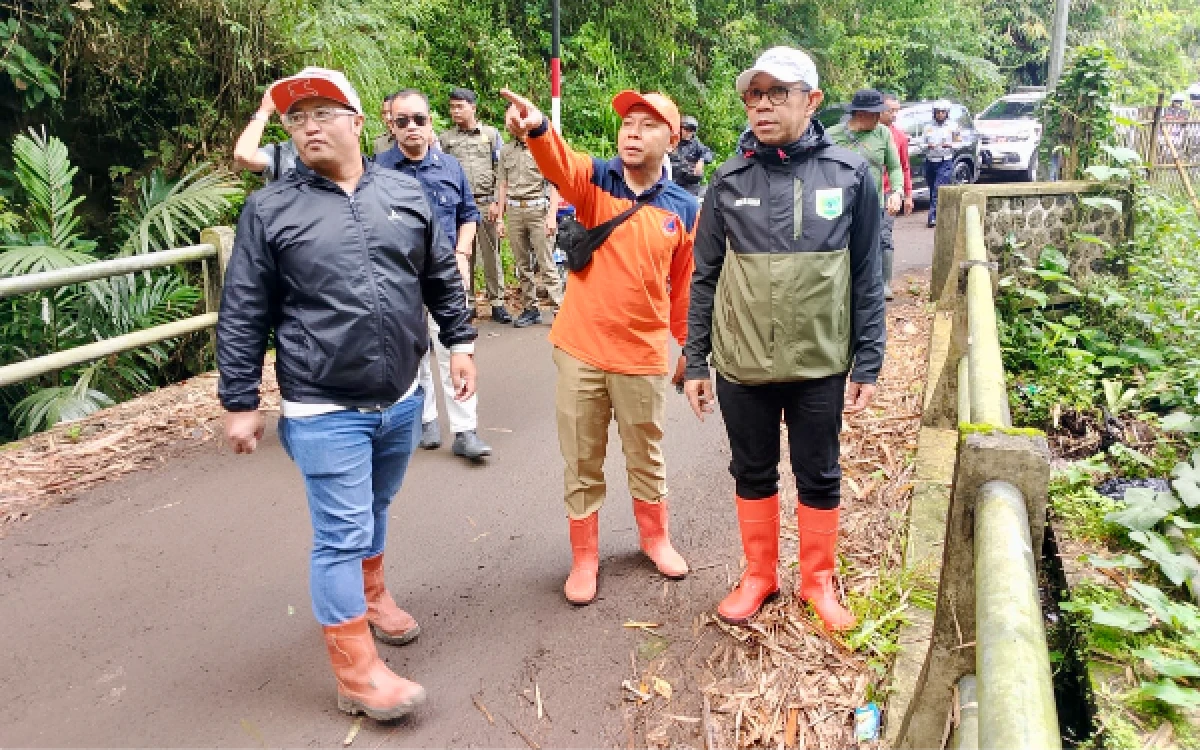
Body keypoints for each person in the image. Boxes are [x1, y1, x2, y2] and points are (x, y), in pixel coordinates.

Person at [217, 67, 478, 721]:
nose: (307, 125)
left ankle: (373, 593)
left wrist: (462, 343)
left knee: (376, 505)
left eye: (321, 112)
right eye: (295, 117)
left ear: (359, 123)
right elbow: (244, 308)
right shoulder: (270, 209)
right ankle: (356, 673)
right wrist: (240, 400)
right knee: (340, 532)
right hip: (322, 403)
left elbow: (439, 273)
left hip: (400, 397)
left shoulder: (405, 192)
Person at [682, 46, 887, 632]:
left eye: (779, 93)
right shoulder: (726, 180)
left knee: (819, 472)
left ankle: (818, 581)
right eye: (755, 94)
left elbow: (868, 273)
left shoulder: (850, 175)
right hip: (742, 366)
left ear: (812, 101)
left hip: (819, 361)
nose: (763, 105)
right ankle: (760, 574)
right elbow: (705, 277)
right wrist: (697, 361)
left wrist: (868, 361)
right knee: (752, 470)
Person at [500, 86, 697, 605]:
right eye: (628, 123)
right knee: (582, 457)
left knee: (646, 455)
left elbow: (685, 284)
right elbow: (559, 162)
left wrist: (689, 352)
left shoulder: (684, 208)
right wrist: (540, 127)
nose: (633, 132)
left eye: (648, 125)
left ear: (672, 140)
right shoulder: (595, 180)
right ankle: (584, 557)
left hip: (642, 355)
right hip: (583, 349)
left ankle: (655, 539)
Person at [375, 89, 493, 462]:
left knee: (455, 345)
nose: (412, 128)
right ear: (391, 125)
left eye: (419, 120)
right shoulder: (377, 171)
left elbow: (469, 215)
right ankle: (424, 420)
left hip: (445, 272)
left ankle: (465, 429)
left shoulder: (450, 167)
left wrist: (461, 253)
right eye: (402, 121)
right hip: (399, 274)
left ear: (430, 124)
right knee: (414, 349)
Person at [440, 87, 511, 324]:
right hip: (460, 208)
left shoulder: (490, 135)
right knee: (463, 254)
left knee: (492, 254)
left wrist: (495, 202)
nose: (455, 111)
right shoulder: (446, 139)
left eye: (460, 106)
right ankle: (467, 302)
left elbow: (499, 170)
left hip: (485, 203)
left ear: (473, 107)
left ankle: (497, 303)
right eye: (452, 107)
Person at [497, 109, 565, 327]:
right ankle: (530, 308)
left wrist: (552, 215)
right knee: (522, 264)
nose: (511, 124)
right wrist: (500, 217)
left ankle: (560, 309)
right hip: (515, 211)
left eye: (514, 119)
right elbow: (502, 185)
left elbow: (556, 183)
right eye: (508, 121)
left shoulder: (542, 147)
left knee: (546, 262)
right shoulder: (506, 151)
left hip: (538, 210)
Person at [880, 92, 914, 300]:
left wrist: (907, 195)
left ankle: (885, 283)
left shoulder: (899, 136)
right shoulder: (865, 132)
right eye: (890, 110)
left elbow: (904, 167)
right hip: (864, 192)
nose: (894, 115)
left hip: (887, 193)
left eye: (896, 111)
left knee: (885, 237)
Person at [232, 87, 297, 182]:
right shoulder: (279, 155)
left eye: (320, 114)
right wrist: (264, 111)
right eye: (297, 116)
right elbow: (243, 155)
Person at [922, 100, 960, 227]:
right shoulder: (928, 127)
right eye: (938, 112)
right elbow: (921, 143)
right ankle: (941, 214)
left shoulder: (953, 127)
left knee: (938, 188)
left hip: (945, 161)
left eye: (943, 112)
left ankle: (932, 217)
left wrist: (951, 145)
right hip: (931, 161)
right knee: (933, 189)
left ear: (947, 113)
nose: (940, 115)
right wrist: (927, 146)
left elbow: (959, 143)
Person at [669, 115, 715, 196]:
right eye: (686, 129)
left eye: (692, 130)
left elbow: (709, 153)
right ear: (680, 128)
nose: (689, 133)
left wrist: (701, 160)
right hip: (672, 183)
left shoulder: (695, 143)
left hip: (691, 185)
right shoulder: (671, 141)